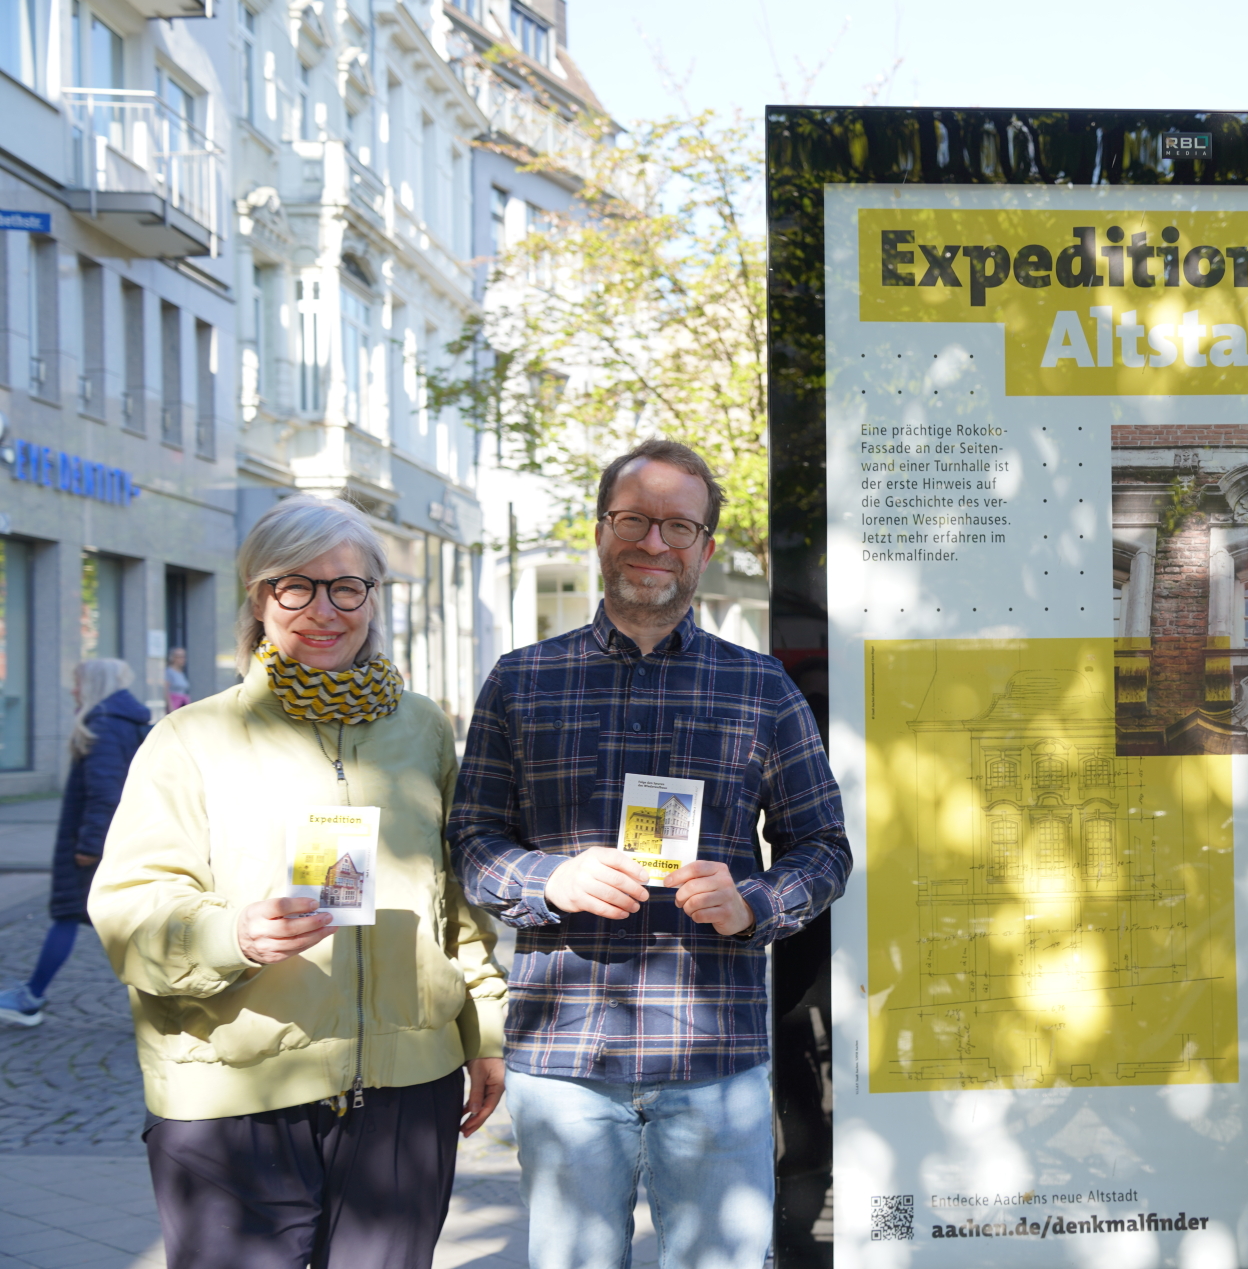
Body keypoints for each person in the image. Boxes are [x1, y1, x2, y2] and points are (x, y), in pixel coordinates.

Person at [451, 439, 850, 1269]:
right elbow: (472, 842)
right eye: (634, 520)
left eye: (679, 526)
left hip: (713, 1058)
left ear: (706, 547)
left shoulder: (761, 688)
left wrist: (754, 903)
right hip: (565, 1060)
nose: (654, 543)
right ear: (601, 531)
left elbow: (822, 848)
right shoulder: (521, 682)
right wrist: (550, 878)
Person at [89, 494, 509, 1269]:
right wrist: (232, 935)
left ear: (373, 597)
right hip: (233, 1098)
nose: (323, 610)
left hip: (405, 1090)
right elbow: (130, 909)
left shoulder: (422, 730)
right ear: (258, 598)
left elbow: (457, 905)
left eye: (346, 587)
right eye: (295, 586)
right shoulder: (191, 738)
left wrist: (483, 1034)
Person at [0, 659, 148, 1027]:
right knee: (113, 925)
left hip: (94, 846)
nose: (73, 690)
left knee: (73, 916)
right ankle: (31, 995)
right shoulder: (117, 721)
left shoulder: (105, 725)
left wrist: (89, 847)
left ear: (95, 685)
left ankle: (31, 997)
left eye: (78, 683)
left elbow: (105, 793)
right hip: (107, 841)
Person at [164, 645, 191, 712]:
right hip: (175, 705)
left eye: (184, 657)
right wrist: (170, 707)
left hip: (183, 704)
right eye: (180, 657)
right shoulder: (169, 672)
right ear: (173, 658)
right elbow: (166, 690)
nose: (183, 659)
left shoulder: (181, 673)